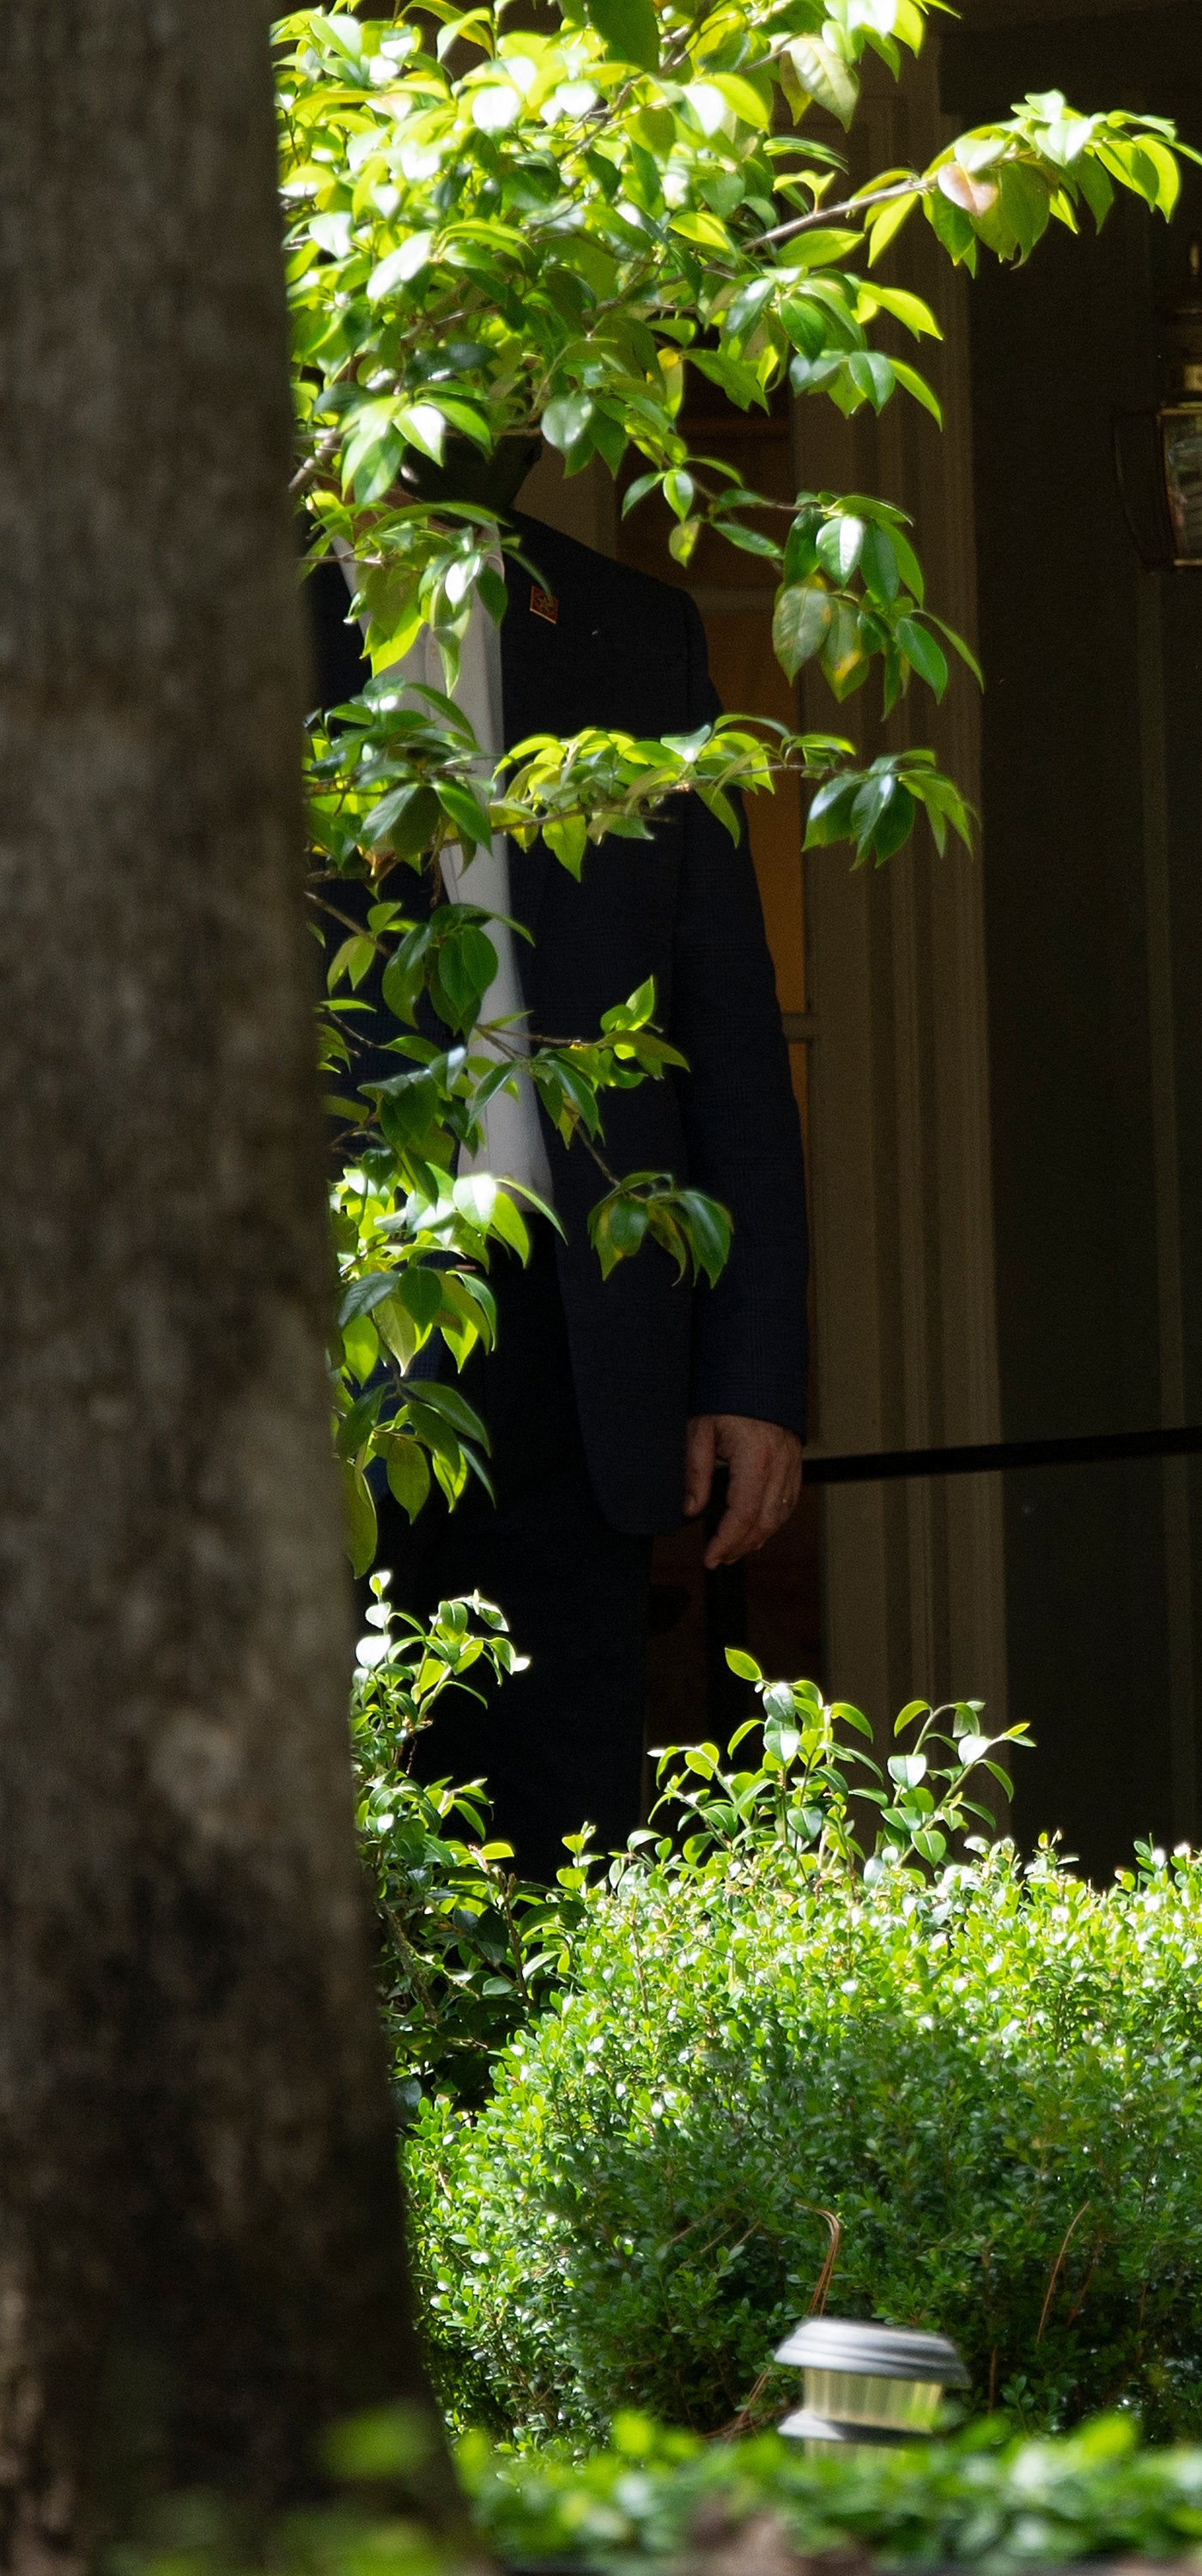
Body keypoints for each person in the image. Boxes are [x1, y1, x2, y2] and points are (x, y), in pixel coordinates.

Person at [313, 500, 810, 1866]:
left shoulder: (624, 631)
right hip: (321, 1340)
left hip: (577, 1342)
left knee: (564, 1847)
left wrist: (752, 1365)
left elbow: (724, 1022)